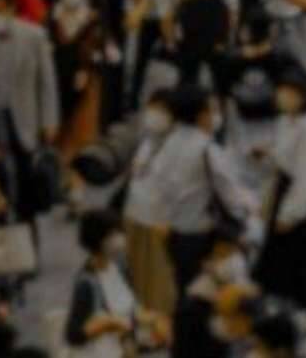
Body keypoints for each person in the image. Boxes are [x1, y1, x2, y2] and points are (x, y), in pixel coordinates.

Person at [143, 87, 253, 295]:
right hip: (201, 234)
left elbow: (157, 185)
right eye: (213, 110)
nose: (217, 116)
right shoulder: (207, 149)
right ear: (201, 115)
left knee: (183, 286)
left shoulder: (170, 142)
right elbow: (230, 193)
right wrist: (248, 211)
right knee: (206, 290)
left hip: (174, 232)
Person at [253, 62, 306, 313]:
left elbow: (305, 174)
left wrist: (291, 214)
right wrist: (267, 154)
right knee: (278, 257)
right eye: (281, 91)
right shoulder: (285, 121)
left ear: (301, 97)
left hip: (298, 200)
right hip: (283, 189)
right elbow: (284, 157)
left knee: (297, 258)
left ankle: (303, 309)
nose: (282, 97)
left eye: (289, 93)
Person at [0, 0, 59, 232]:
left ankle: (24, 236)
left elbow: (46, 82)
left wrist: (49, 120)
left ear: (11, 10)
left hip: (22, 117)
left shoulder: (33, 36)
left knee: (25, 180)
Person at [63, 209, 168, 358]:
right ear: (99, 239)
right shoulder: (86, 284)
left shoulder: (120, 266)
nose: (120, 238)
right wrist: (108, 323)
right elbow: (73, 336)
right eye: (113, 234)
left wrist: (153, 318)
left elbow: (130, 309)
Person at [77, 0, 148, 127]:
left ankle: (110, 116)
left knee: (113, 69)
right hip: (90, 24)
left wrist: (136, 13)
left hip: (115, 26)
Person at [121, 90, 177, 317]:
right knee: (137, 276)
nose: (154, 114)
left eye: (161, 110)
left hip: (158, 221)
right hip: (135, 215)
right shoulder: (148, 141)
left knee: (158, 281)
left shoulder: (176, 145)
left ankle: (160, 322)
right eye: (152, 108)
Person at [49, 0, 108, 163]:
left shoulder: (91, 17)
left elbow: (95, 46)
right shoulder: (52, 14)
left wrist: (85, 69)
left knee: (76, 111)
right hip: (53, 67)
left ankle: (71, 153)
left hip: (79, 70)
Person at [171, 227, 249, 358]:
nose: (232, 260)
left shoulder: (241, 299)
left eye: (233, 251)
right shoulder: (192, 309)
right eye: (223, 253)